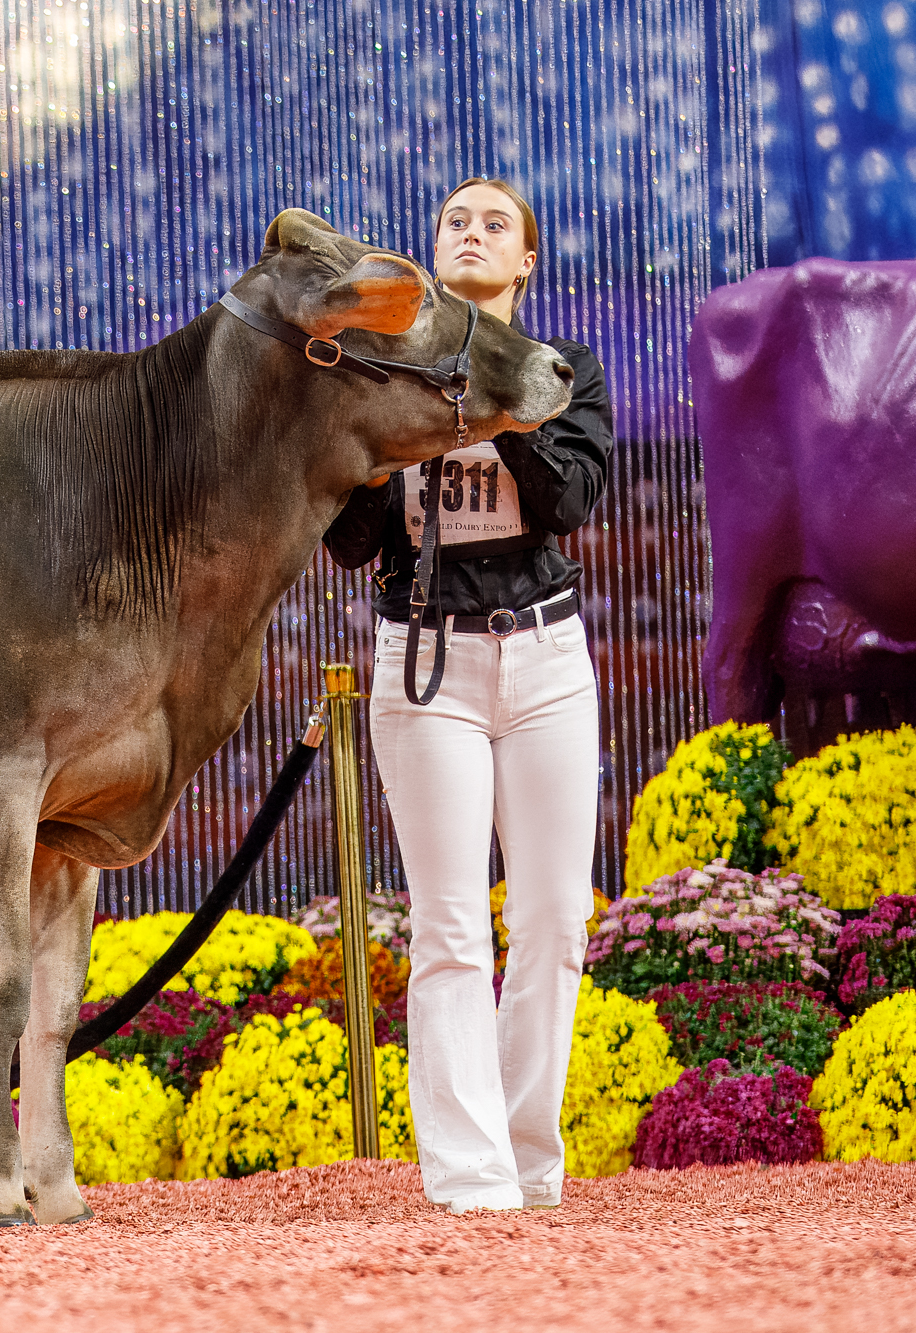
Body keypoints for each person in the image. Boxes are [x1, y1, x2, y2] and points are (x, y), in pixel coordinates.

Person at [322, 178, 613, 1214]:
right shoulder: (383, 371)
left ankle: (528, 1159)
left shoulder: (563, 369)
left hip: (544, 656)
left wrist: (499, 398)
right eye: (456, 220)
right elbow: (347, 541)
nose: (473, 233)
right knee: (448, 926)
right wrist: (378, 446)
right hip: (424, 658)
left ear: (525, 260)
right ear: (433, 247)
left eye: (496, 224)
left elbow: (570, 501)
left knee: (554, 919)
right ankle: (471, 1175)